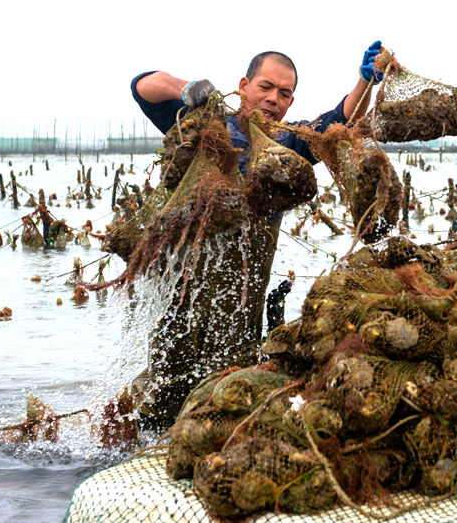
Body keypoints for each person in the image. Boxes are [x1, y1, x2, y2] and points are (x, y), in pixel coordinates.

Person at [128, 42, 386, 427]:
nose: (273, 99)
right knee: (166, 382)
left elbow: (340, 120)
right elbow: (141, 87)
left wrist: (365, 82)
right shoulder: (205, 126)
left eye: (284, 93)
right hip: (183, 286)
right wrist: (186, 87)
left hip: (244, 291)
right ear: (244, 85)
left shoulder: (291, 143)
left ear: (291, 101)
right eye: (265, 87)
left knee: (229, 383)